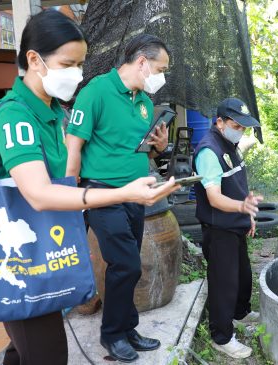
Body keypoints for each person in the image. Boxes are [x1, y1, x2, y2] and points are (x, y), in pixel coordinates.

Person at [0, 11, 177, 365]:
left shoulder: (54, 112)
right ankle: (114, 333)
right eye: (68, 63)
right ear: (34, 59)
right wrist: (117, 195)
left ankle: (124, 327)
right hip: (25, 256)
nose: (77, 73)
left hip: (47, 244)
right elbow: (41, 192)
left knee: (23, 351)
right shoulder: (14, 114)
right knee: (48, 353)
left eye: (81, 63)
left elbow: (63, 174)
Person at [65, 33, 171, 363]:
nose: (162, 76)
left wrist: (161, 144)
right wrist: (70, 197)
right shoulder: (96, 91)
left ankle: (128, 328)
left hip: (135, 193)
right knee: (124, 264)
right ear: (141, 62)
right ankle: (111, 336)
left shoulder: (144, 101)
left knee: (129, 264)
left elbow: (144, 148)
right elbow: (74, 145)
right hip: (102, 192)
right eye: (160, 68)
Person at [192, 98, 263, 359]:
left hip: (236, 224)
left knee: (243, 275)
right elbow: (215, 198)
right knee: (224, 283)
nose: (240, 131)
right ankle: (221, 336)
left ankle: (240, 313)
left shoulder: (230, 144)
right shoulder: (209, 151)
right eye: (236, 126)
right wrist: (242, 209)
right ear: (219, 122)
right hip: (220, 227)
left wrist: (249, 215)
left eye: (244, 128)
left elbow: (238, 186)